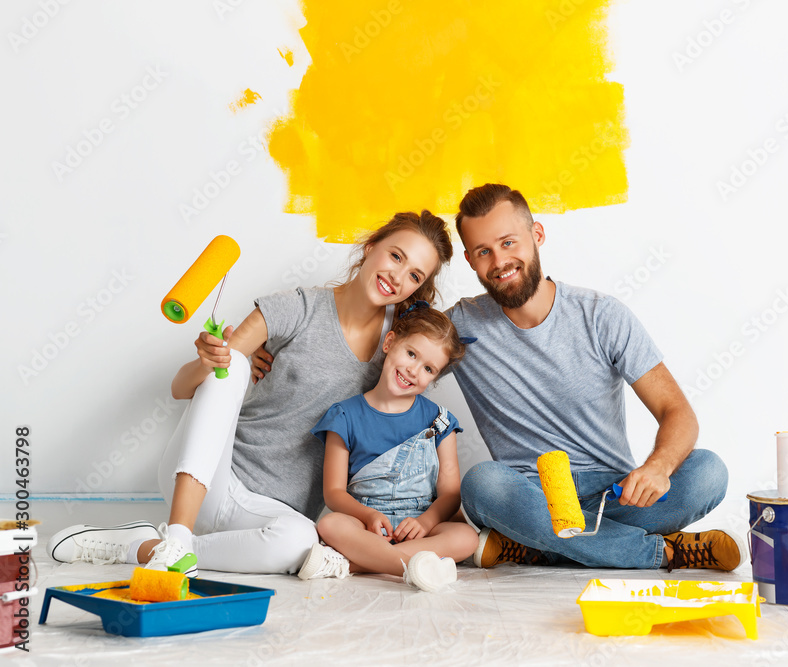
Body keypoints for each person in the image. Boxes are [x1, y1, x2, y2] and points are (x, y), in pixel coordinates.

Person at [47, 211, 456, 576]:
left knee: (300, 542)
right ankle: (177, 532)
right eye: (396, 256)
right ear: (371, 247)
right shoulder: (297, 308)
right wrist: (210, 361)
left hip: (274, 514)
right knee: (235, 363)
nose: (398, 277)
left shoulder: (400, 351)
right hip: (209, 479)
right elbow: (181, 388)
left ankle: (144, 547)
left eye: (415, 275)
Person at [447, 184, 744, 572]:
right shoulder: (459, 327)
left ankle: (533, 545)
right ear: (470, 260)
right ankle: (666, 553)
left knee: (708, 471)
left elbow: (678, 412)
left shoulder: (601, 316)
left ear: (537, 235)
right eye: (484, 251)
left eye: (508, 242)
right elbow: (395, 357)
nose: (500, 261)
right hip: (530, 494)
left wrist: (657, 466)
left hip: (616, 491)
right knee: (481, 483)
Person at [296, 306, 479, 591]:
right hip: (367, 523)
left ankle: (354, 564)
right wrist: (367, 516)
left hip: (418, 522)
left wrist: (426, 522)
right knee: (330, 525)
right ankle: (415, 568)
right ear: (390, 342)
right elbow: (333, 493)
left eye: (428, 369)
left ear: (435, 377)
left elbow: (450, 493)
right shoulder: (344, 415)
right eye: (411, 354)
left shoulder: (440, 421)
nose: (413, 370)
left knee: (466, 537)